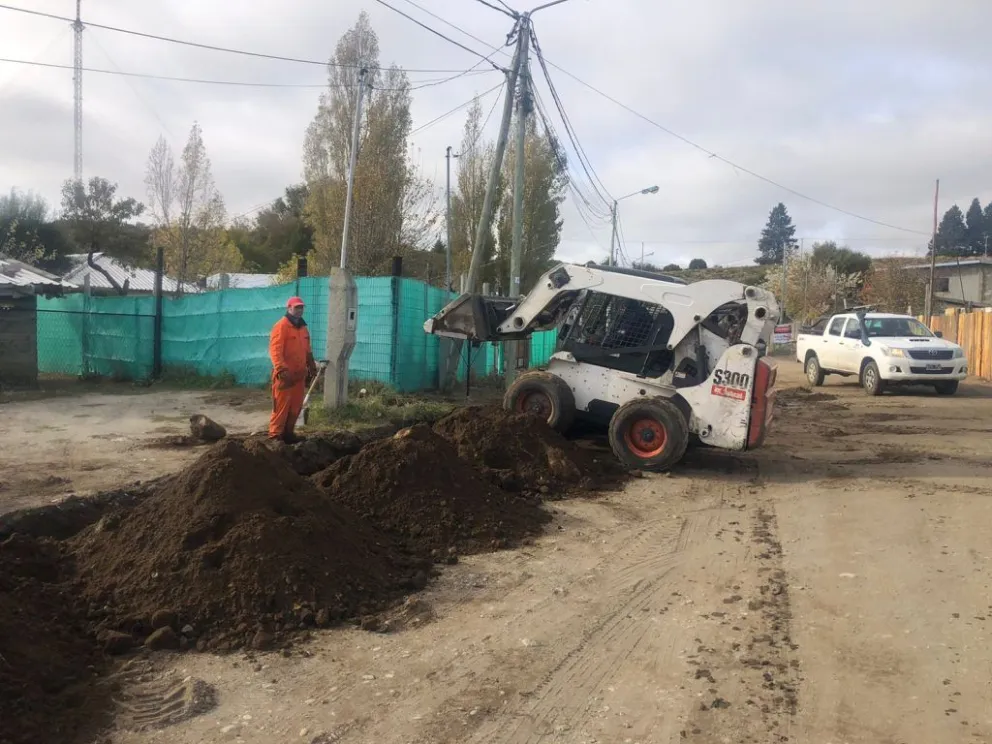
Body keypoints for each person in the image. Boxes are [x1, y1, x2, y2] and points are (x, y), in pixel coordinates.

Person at [268, 296, 317, 443]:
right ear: (289, 308)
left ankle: (288, 434)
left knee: (295, 407)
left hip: (299, 375)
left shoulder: (303, 328)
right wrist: (282, 370)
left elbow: (307, 349)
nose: (299, 310)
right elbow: (275, 350)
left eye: (301, 307)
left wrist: (311, 365)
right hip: (285, 376)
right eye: (296, 307)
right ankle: (275, 435)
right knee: (281, 407)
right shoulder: (281, 326)